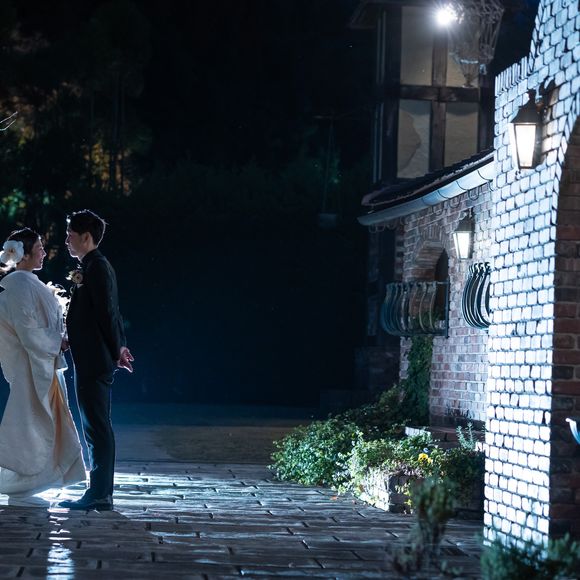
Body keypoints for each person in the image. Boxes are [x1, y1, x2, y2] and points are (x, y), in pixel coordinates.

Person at [0, 228, 86, 504]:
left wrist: (58, 338)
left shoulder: (27, 283)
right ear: (23, 255)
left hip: (42, 362)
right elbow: (28, 330)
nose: (43, 253)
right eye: (38, 248)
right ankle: (22, 483)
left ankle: (35, 481)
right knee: (33, 424)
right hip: (32, 366)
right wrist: (57, 341)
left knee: (45, 422)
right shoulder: (18, 286)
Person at [58, 210, 134, 511]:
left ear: (86, 237)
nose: (66, 241)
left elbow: (108, 313)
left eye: (70, 236)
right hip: (90, 357)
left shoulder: (97, 267)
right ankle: (99, 492)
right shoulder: (90, 266)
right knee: (94, 425)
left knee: (96, 426)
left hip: (94, 359)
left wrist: (117, 350)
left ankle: (100, 494)